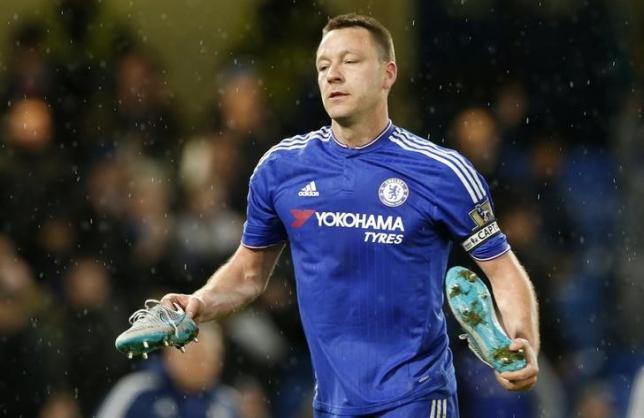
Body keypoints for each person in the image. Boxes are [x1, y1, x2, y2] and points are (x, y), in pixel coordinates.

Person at [161, 13, 539, 418]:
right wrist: (198, 303)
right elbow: (249, 274)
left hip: (417, 399)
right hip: (333, 405)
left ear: (387, 74)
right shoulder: (281, 169)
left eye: (350, 62)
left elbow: (501, 269)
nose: (333, 75)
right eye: (324, 66)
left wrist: (521, 340)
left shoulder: (442, 172)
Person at [96, 322, 239, 418]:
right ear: (169, 354)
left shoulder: (227, 402)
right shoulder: (136, 392)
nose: (200, 363)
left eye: (209, 356)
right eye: (193, 355)